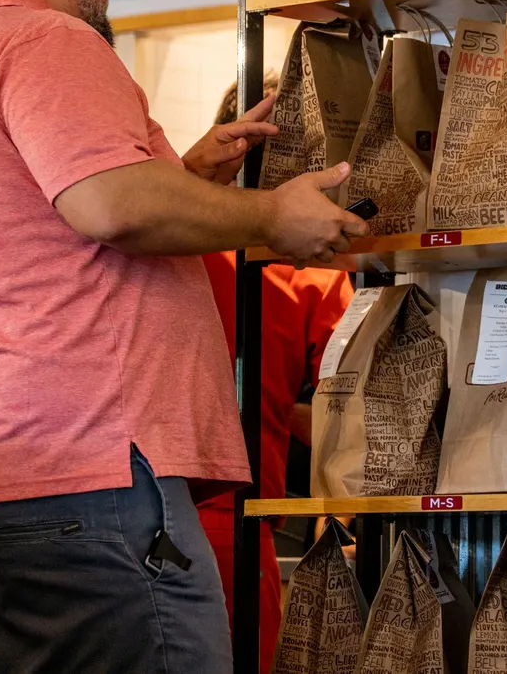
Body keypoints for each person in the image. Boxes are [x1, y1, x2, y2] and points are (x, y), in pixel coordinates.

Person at [0, 0, 369, 674]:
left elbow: (54, 232)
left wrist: (187, 173)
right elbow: (110, 206)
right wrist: (271, 216)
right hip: (86, 487)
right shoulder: (47, 39)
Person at [196, 77, 355, 674]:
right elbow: (353, 408)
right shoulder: (305, 273)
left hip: (120, 517)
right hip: (236, 526)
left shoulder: (163, 238)